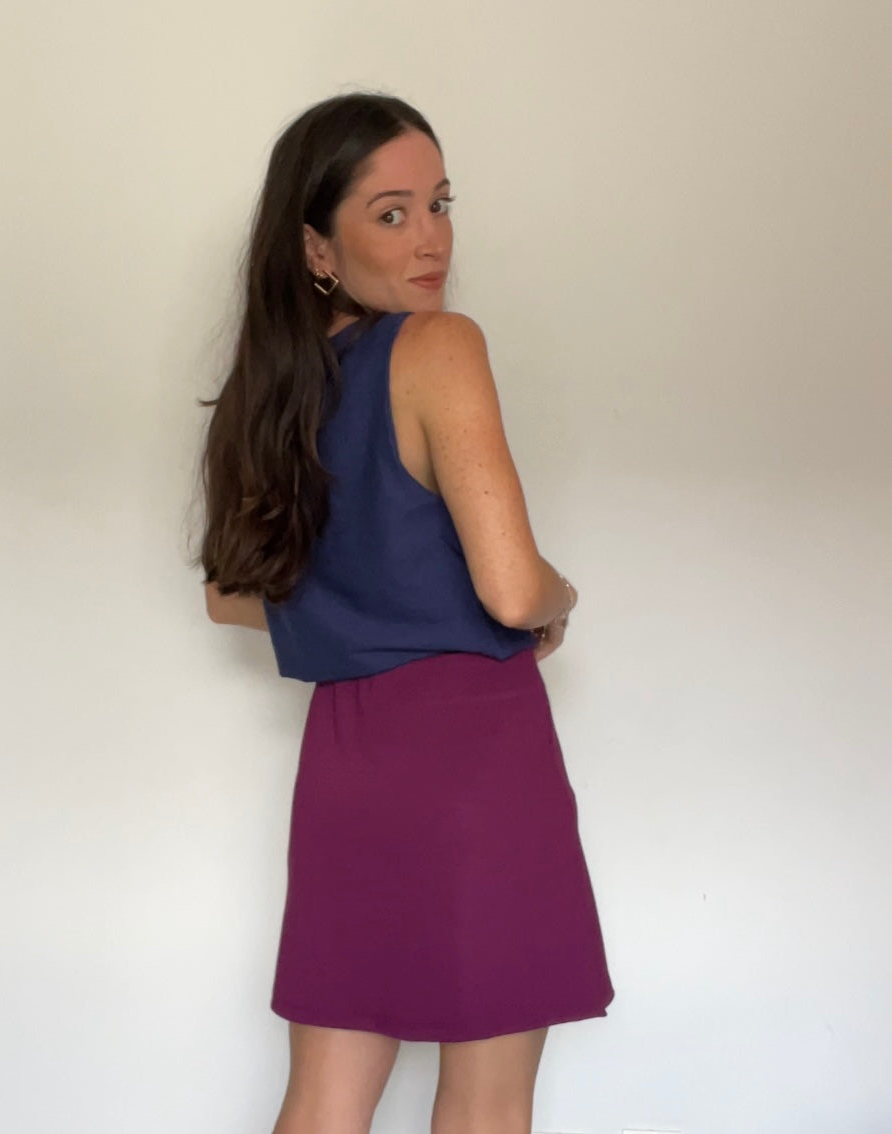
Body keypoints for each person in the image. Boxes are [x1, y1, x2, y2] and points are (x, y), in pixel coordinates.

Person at [195, 91, 614, 1134]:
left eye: (439, 203)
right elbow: (511, 588)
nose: (430, 238)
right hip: (477, 757)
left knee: (324, 1099)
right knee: (485, 1106)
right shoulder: (438, 345)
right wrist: (559, 599)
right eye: (391, 213)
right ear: (316, 247)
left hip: (345, 764)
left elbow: (228, 596)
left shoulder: (268, 393)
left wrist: (358, 605)